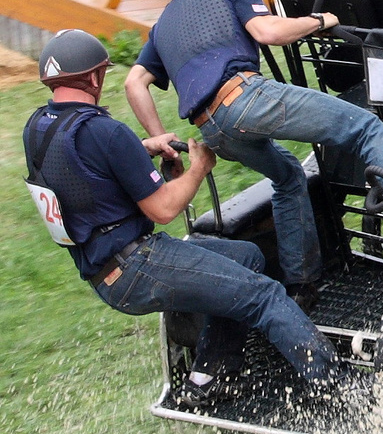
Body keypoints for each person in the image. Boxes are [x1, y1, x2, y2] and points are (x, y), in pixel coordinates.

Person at [126, 0, 383, 306]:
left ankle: (301, 285)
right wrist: (322, 19)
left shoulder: (163, 22)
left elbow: (135, 83)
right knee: (364, 126)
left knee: (287, 176)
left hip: (211, 129)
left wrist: (161, 137)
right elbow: (268, 32)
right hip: (245, 98)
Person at [30, 30, 342, 407]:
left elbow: (83, 172)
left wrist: (140, 149)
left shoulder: (40, 128)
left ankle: (210, 377)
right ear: (95, 78)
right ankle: (338, 387)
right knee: (263, 295)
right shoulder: (105, 132)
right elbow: (162, 209)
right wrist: (199, 167)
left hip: (102, 269)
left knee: (246, 258)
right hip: (138, 265)